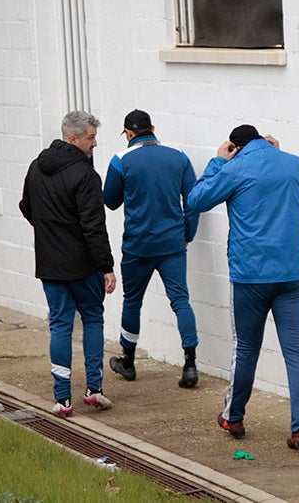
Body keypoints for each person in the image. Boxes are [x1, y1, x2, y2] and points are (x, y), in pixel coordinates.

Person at [187, 124, 299, 452]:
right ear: (264, 141)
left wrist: (218, 162)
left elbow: (197, 199)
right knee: (297, 351)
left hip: (251, 276)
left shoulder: (234, 168)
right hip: (292, 274)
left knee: (245, 349)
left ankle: (234, 417)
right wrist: (277, 153)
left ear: (236, 147)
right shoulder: (296, 164)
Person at [19, 110, 118, 418]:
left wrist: (50, 233)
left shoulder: (37, 167)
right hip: (83, 265)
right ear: (73, 138)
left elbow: (26, 206)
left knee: (60, 325)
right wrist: (107, 266)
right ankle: (94, 390)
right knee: (92, 319)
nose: (95, 144)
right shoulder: (86, 176)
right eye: (91, 138)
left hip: (50, 264)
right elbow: (93, 226)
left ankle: (62, 399)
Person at [103, 109, 201, 387]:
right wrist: (187, 234)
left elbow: (110, 201)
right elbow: (192, 201)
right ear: (153, 128)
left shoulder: (121, 160)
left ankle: (129, 361)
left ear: (129, 134)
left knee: (133, 301)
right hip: (172, 243)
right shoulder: (179, 156)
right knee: (180, 300)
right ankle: (190, 364)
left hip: (138, 246)